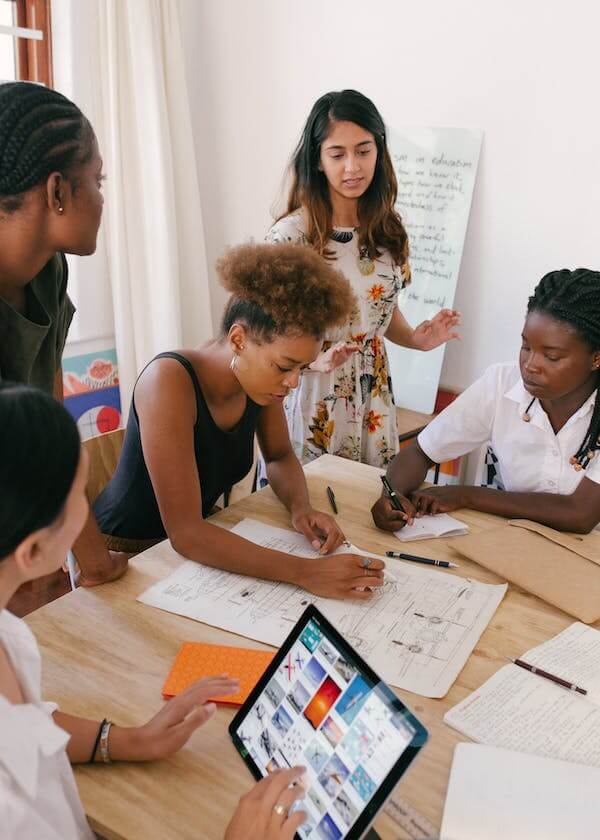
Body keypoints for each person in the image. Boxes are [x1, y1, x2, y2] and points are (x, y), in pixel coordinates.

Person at [0, 381, 307, 839]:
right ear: (33, 551)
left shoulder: (10, 633)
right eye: (80, 500)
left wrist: (123, 740)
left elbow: (22, 727)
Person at [94, 242, 386, 599]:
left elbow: (278, 456)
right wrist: (305, 571)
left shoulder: (260, 383)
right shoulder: (168, 382)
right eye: (284, 366)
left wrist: (301, 509)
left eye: (301, 368)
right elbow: (185, 533)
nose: (293, 382)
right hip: (127, 554)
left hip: (200, 539)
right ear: (239, 339)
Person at [266, 89, 460, 469]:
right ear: (318, 161)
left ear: (379, 151)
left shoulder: (388, 231)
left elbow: (381, 315)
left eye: (363, 150)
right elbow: (262, 338)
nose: (352, 167)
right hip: (312, 393)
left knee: (367, 513)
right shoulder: (290, 238)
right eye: (338, 154)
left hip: (373, 393)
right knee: (312, 511)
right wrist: (313, 362)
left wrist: (418, 339)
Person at [0, 80, 125, 589]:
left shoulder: (50, 271)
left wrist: (89, 560)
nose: (101, 198)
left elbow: (50, 424)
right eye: (96, 181)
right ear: (56, 192)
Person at [371, 268, 600, 534]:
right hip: (516, 540)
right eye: (526, 347)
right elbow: (420, 452)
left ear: (596, 358)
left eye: (552, 357)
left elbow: (580, 514)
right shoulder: (502, 383)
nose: (530, 365)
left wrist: (466, 496)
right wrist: (393, 494)